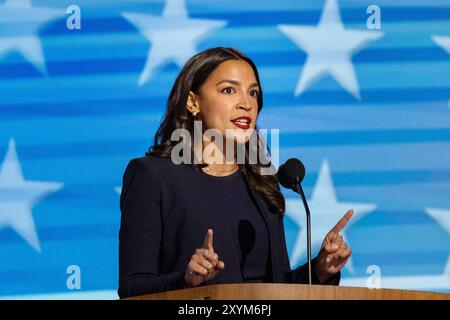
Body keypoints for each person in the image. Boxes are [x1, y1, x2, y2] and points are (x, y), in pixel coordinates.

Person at [118, 47, 353, 299]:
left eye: (253, 93)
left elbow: (274, 289)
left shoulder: (262, 184)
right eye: (229, 90)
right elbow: (133, 288)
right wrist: (187, 280)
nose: (246, 103)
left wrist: (320, 270)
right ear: (192, 102)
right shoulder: (152, 176)